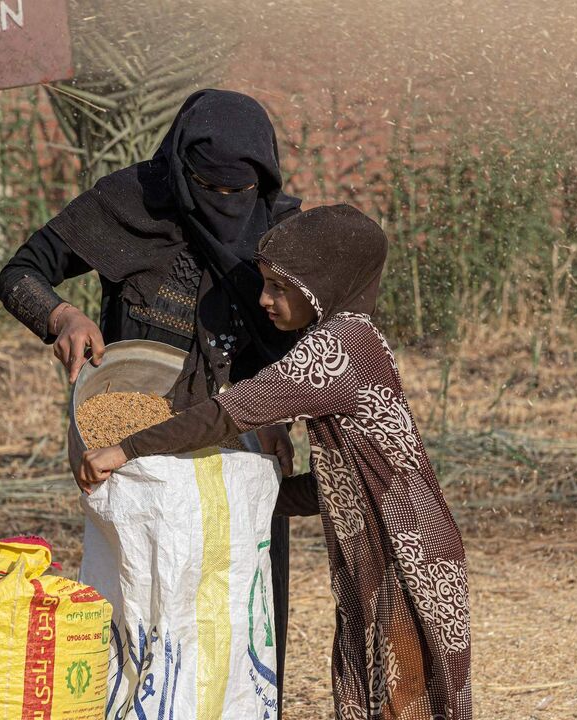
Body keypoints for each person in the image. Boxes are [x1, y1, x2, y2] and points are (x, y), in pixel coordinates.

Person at [79, 205, 473, 719]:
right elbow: (344, 486)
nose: (265, 300)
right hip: (383, 552)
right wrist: (244, 499)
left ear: (322, 286)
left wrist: (125, 448)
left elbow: (229, 413)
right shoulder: (355, 338)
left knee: (406, 705)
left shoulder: (341, 348)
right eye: (264, 284)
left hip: (406, 556)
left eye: (279, 288)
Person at [0, 89, 302, 698]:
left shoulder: (281, 232)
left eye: (238, 194)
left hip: (243, 456)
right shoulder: (131, 203)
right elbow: (19, 273)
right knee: (145, 620)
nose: (224, 206)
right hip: (138, 459)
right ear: (180, 173)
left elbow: (306, 337)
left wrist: (277, 412)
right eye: (208, 189)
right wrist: (62, 318)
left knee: (240, 624)